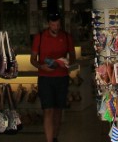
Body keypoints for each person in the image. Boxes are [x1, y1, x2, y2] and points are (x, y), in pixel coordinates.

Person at [31, 10, 75, 142]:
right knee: (48, 110)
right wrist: (41, 66)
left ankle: (55, 137)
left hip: (62, 77)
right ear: (48, 24)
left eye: (58, 25)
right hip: (45, 78)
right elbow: (32, 59)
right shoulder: (39, 37)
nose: (56, 27)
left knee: (58, 110)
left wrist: (66, 62)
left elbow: (72, 56)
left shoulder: (66, 37)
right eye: (53, 25)